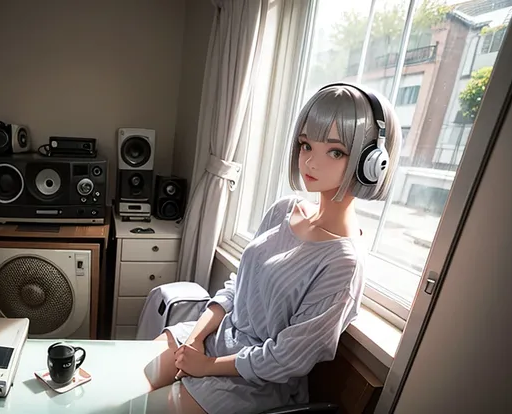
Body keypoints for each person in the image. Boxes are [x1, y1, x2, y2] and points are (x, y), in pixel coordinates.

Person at [143, 83, 402, 414]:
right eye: (306, 144)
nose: (310, 161)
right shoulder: (284, 208)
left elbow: (285, 357)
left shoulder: (344, 263)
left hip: (250, 379)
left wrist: (207, 366)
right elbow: (237, 286)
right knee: (121, 383)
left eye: (335, 151)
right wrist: (195, 338)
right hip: (212, 338)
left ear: (372, 163)